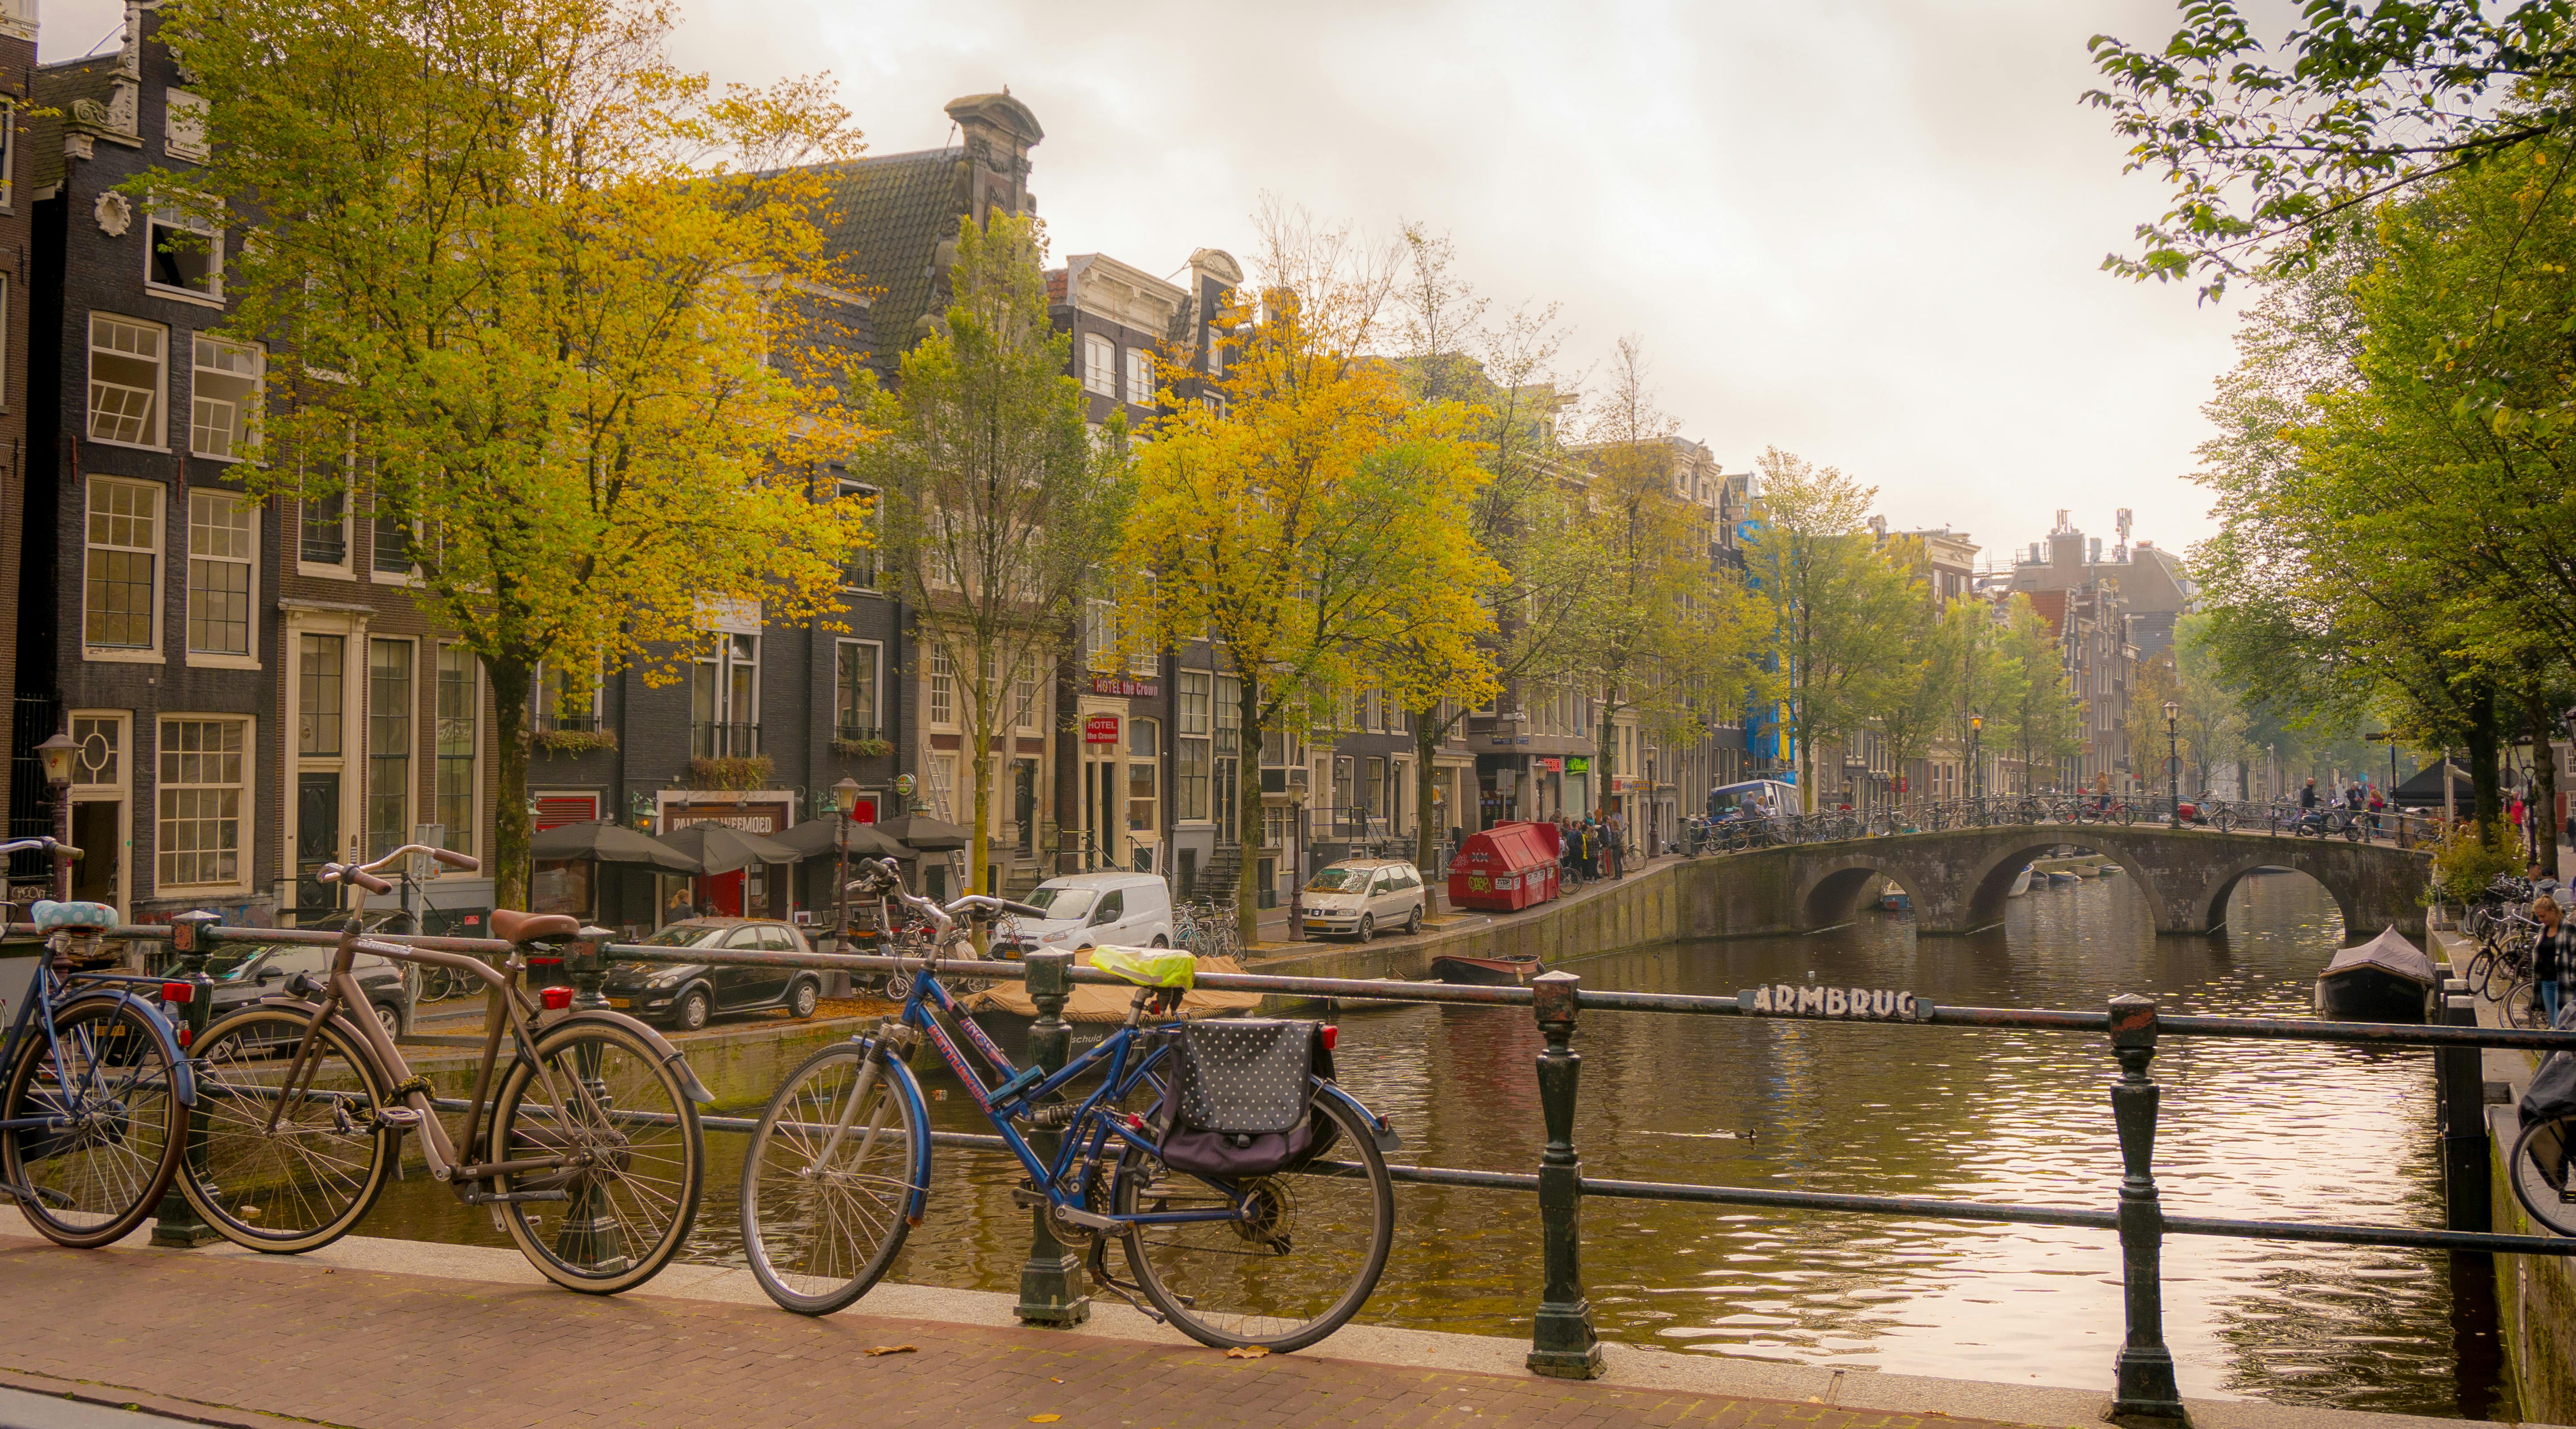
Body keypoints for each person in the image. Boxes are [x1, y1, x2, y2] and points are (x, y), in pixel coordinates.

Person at [2534, 895, 2571, 1029]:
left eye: (2543, 916)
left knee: (2559, 1024)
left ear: (2553, 911)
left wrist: (2572, 981)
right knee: (2553, 1022)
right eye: (2538, 917)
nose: (2540, 920)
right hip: (2546, 982)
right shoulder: (2543, 930)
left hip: (2562, 983)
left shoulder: (2569, 929)